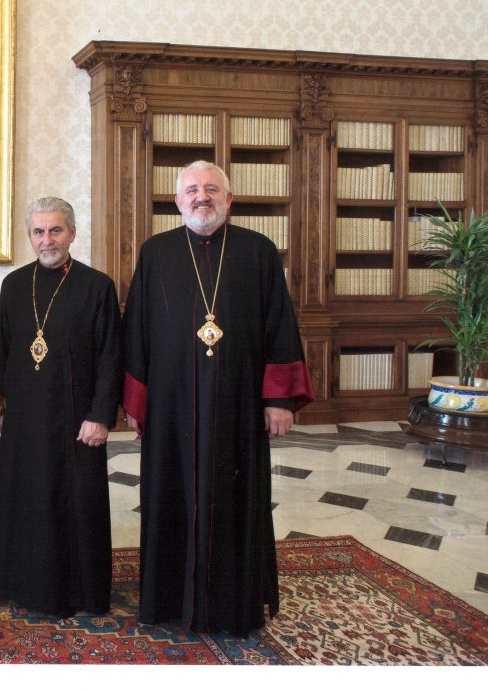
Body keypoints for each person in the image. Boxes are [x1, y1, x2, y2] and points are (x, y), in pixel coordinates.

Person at [121, 159, 314, 635]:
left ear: (228, 198)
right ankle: (168, 600)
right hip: (171, 408)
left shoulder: (258, 250)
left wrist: (278, 401)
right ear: (177, 200)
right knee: (171, 496)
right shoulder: (156, 252)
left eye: (211, 189)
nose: (201, 197)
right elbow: (137, 331)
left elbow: (280, 325)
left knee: (236, 499)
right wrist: (137, 403)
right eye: (192, 190)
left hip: (239, 405)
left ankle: (234, 604)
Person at [0, 197, 121, 617]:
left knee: (73, 504)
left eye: (56, 230)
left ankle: (77, 593)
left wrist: (100, 416)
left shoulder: (97, 286)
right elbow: (5, 350)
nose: (47, 240)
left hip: (77, 420)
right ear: (29, 236)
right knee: (28, 500)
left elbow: (110, 357)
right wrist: (8, 405)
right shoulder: (14, 285)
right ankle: (24, 585)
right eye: (39, 232)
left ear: (72, 233)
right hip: (26, 418)